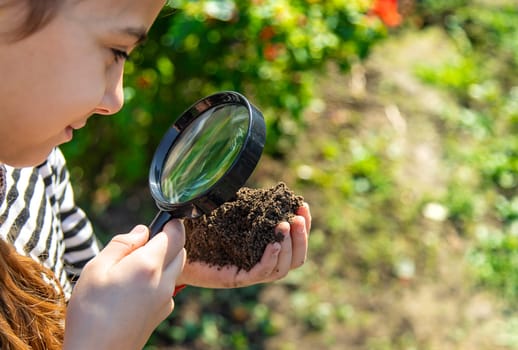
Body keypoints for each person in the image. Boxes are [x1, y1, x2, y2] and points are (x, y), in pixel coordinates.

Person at [0, 0, 312, 349]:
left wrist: (173, 263)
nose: (114, 100)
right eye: (116, 50)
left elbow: (72, 289)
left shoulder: (35, 166)